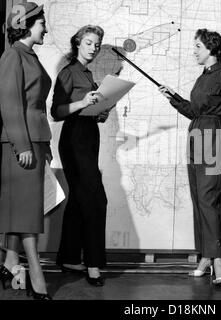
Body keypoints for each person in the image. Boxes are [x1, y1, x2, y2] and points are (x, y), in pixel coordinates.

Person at [159, 29, 221, 285]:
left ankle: (219, 262)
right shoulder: (202, 77)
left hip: (211, 140)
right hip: (195, 139)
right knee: (199, 202)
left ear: (211, 48)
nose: (194, 51)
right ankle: (206, 257)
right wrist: (173, 97)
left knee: (208, 202)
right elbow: (195, 111)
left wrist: (218, 136)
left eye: (197, 46)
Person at [0, 2, 52, 300]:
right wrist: (22, 146)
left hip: (34, 140)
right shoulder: (13, 56)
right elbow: (10, 105)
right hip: (20, 144)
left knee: (26, 209)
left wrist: (43, 145)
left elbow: (36, 106)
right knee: (27, 212)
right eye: (42, 23)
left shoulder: (29, 55)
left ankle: (9, 261)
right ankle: (36, 275)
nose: (45, 28)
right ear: (28, 24)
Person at [51, 25, 109, 287]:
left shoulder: (87, 73)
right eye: (88, 42)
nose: (93, 48)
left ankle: (68, 257)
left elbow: (89, 108)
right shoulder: (68, 72)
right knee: (96, 199)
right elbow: (57, 111)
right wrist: (84, 104)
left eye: (96, 44)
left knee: (79, 199)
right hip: (74, 140)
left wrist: (100, 111)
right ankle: (93, 264)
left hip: (88, 136)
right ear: (77, 43)